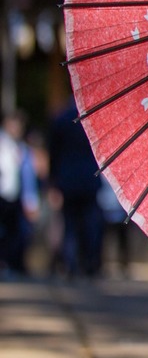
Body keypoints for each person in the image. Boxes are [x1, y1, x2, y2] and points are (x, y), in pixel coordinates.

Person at [48, 99, 104, 279]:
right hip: (90, 178)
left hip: (68, 179)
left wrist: (53, 182)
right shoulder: (93, 117)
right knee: (90, 223)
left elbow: (54, 153)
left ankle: (70, 264)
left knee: (70, 224)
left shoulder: (61, 119)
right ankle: (90, 263)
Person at [0, 111, 39, 277]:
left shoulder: (21, 148)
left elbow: (27, 176)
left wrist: (30, 200)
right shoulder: (4, 145)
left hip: (15, 197)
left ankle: (12, 264)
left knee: (16, 232)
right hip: (3, 195)